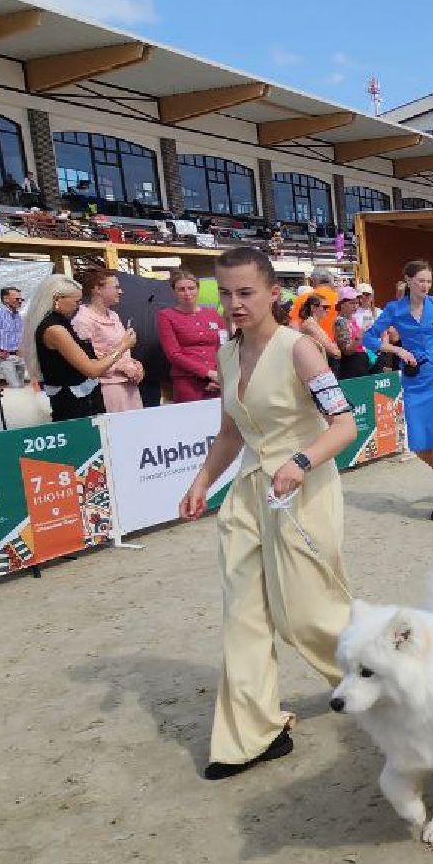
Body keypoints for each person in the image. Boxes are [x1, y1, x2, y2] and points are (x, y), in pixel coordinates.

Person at [176, 246, 358, 781]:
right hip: (248, 496)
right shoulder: (226, 356)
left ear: (273, 293)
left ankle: (385, 678)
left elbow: (344, 425)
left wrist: (301, 460)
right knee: (243, 617)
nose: (234, 303)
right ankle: (251, 735)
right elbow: (231, 433)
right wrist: (202, 480)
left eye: (246, 292)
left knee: (307, 612)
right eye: (226, 293)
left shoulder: (301, 350)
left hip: (303, 491)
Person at [366, 260, 433, 520]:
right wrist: (397, 349)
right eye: (420, 280)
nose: (425, 285)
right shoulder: (394, 309)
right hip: (414, 380)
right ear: (408, 280)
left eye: (429, 281)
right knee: (419, 443)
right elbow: (368, 338)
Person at [23, 274, 137, 421]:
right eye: (76, 302)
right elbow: (91, 370)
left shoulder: (61, 324)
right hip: (75, 406)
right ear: (57, 299)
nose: (79, 306)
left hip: (85, 400)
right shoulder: (55, 330)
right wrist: (122, 347)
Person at [72, 268, 144, 412]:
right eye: (116, 287)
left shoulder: (113, 315)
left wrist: (135, 364)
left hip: (128, 385)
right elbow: (88, 361)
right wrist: (122, 366)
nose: (121, 291)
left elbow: (120, 350)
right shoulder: (82, 321)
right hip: (108, 388)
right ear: (97, 289)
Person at [157, 269, 229, 403]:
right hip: (187, 381)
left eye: (191, 288)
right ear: (174, 292)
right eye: (181, 289)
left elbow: (224, 346)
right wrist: (207, 373)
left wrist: (219, 375)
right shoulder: (166, 316)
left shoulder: (213, 314)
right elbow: (174, 354)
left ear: (198, 289)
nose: (187, 293)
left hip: (217, 379)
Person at [330, 286, 373, 379]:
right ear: (342, 304)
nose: (355, 306)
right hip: (352, 366)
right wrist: (360, 335)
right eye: (351, 303)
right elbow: (347, 350)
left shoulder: (352, 319)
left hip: (360, 363)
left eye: (357, 303)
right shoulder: (340, 321)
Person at [295, 293, 339, 361]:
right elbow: (334, 351)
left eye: (328, 307)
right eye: (325, 307)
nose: (327, 310)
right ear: (313, 308)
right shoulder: (310, 325)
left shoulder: (312, 323)